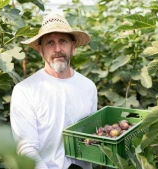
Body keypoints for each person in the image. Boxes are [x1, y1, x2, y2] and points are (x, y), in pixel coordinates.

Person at [10, 13, 98, 169]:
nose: (57, 49)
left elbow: (91, 138)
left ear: (73, 47)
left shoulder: (88, 87)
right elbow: (26, 148)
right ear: (40, 50)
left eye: (63, 41)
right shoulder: (25, 90)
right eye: (50, 42)